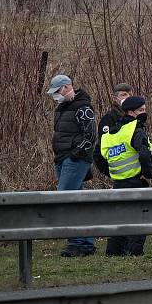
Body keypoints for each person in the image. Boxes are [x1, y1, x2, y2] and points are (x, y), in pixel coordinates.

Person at [98, 96, 152, 256]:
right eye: (141, 110)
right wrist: (148, 172)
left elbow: (98, 155)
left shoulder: (111, 134)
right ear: (131, 112)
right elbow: (144, 154)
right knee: (140, 219)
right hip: (135, 182)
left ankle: (113, 252)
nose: (144, 113)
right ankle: (133, 252)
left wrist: (110, 172)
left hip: (118, 183)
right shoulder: (135, 129)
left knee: (119, 219)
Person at [47, 74, 97, 257]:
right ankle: (85, 242)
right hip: (61, 158)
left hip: (74, 159)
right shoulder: (61, 108)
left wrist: (76, 153)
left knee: (65, 200)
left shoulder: (83, 107)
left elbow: (91, 135)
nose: (56, 96)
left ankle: (76, 242)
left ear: (67, 87)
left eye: (57, 92)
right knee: (77, 202)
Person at [94, 83, 134, 177]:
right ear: (115, 98)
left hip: (136, 171)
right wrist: (111, 172)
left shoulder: (135, 117)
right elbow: (101, 150)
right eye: (124, 95)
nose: (128, 97)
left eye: (130, 95)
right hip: (118, 173)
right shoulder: (108, 120)